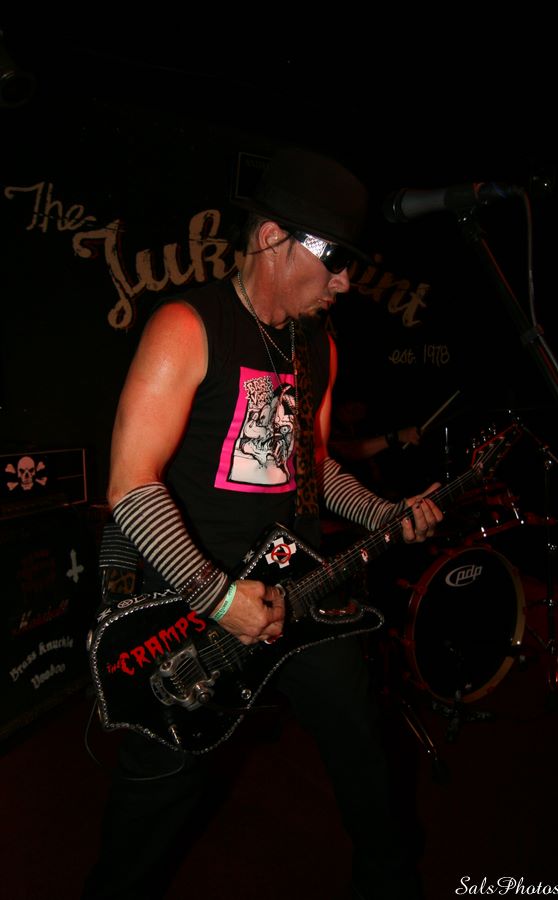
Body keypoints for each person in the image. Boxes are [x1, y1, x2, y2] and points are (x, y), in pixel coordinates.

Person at [82, 146, 443, 900]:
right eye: (334, 260)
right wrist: (216, 597)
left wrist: (385, 512)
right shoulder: (187, 325)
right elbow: (130, 486)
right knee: (158, 796)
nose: (344, 282)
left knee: (360, 740)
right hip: (187, 604)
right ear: (274, 237)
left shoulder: (317, 345)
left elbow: (315, 467)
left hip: (290, 589)